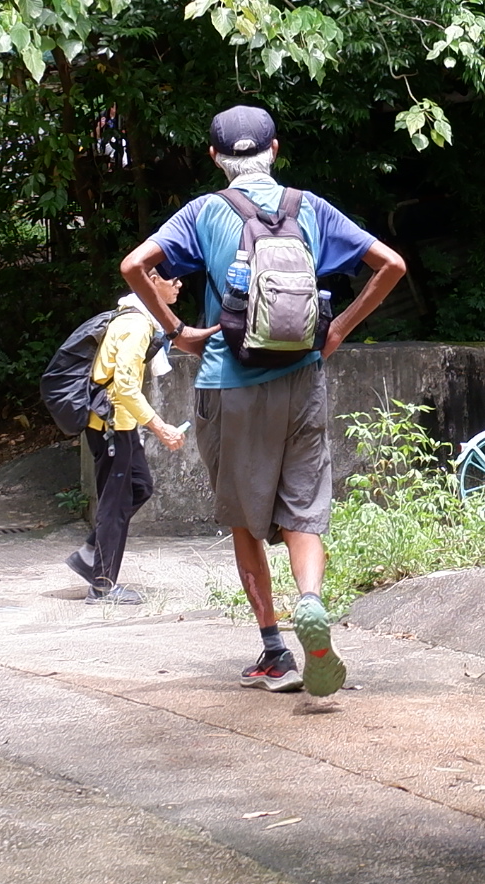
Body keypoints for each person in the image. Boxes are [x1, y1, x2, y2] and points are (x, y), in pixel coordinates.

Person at [118, 104, 407, 696]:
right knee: (302, 510)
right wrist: (338, 330)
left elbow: (134, 265)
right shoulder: (309, 207)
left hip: (229, 383)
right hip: (301, 379)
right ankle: (311, 602)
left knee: (245, 521)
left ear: (214, 157)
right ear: (275, 150)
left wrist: (177, 331)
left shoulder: (204, 211)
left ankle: (275, 651)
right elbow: (391, 265)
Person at [65, 295, 184, 606]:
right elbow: (126, 386)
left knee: (140, 487)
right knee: (114, 505)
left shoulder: (136, 319)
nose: (179, 284)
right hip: (111, 425)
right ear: (153, 282)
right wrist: (160, 427)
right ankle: (102, 586)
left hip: (121, 424)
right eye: (172, 279)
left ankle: (89, 555)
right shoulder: (136, 325)